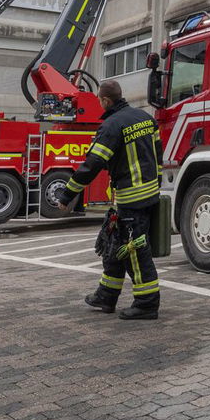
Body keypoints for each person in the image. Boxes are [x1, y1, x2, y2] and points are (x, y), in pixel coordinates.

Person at [57, 78, 162, 319]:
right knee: (114, 244)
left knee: (134, 250)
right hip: (147, 194)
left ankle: (147, 303)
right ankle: (107, 295)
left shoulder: (112, 126)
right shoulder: (146, 118)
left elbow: (92, 164)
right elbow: (158, 153)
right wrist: (154, 184)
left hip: (131, 197)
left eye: (99, 101)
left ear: (105, 100)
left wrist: (68, 194)